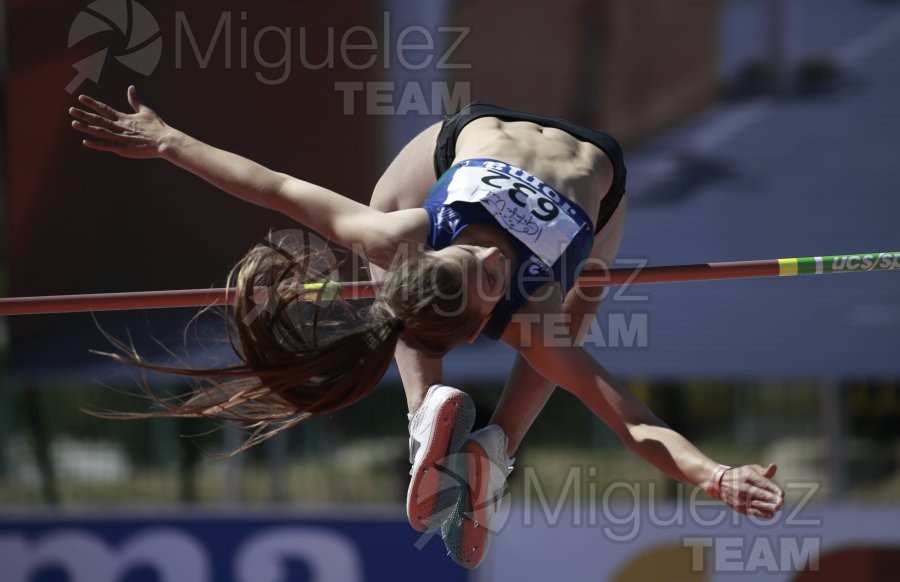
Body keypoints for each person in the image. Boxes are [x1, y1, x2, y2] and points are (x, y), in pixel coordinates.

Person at [69, 87, 785, 569]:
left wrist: (169, 138)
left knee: (564, 311)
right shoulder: (466, 271)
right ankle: (467, 437)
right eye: (482, 275)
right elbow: (273, 186)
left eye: (471, 260)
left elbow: (277, 185)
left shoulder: (453, 266)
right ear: (484, 322)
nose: (485, 258)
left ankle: (457, 430)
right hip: (550, 158)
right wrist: (717, 476)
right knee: (546, 304)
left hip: (499, 145)